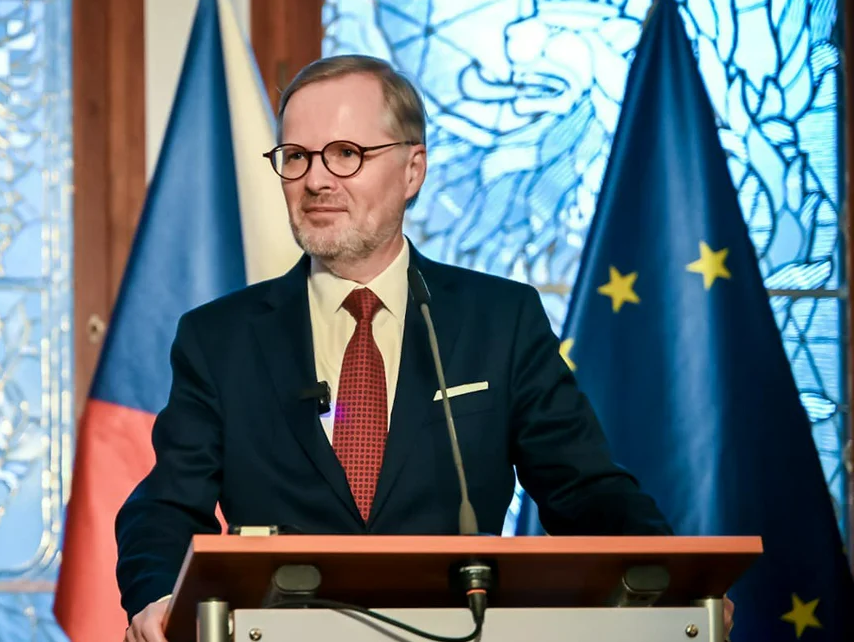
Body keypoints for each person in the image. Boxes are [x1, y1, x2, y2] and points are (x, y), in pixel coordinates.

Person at [115, 54, 729, 642]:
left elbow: (586, 490)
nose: (316, 179)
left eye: (346, 154)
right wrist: (156, 594)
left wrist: (677, 583)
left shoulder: (499, 320)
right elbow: (166, 503)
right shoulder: (219, 338)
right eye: (296, 157)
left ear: (413, 170)